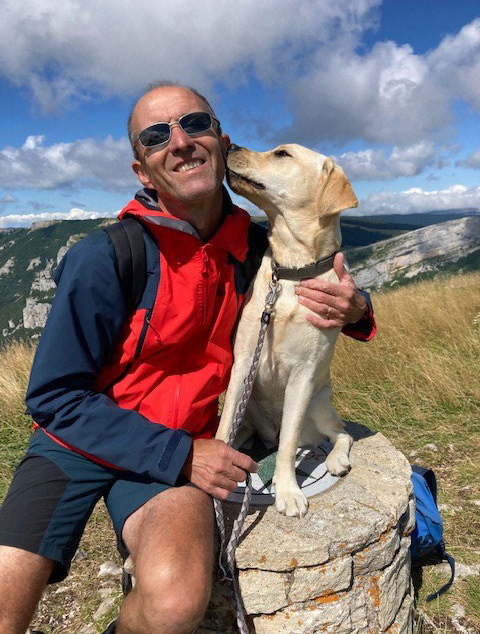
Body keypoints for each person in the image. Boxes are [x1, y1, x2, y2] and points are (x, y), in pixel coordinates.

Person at [0, 82, 375, 634]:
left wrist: (358, 307)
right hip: (81, 443)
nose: (179, 141)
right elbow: (53, 397)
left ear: (222, 144)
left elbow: (320, 281)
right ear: (143, 171)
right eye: (157, 136)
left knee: (174, 603)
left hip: (179, 454)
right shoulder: (105, 257)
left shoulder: (255, 249)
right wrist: (178, 453)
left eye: (194, 124)